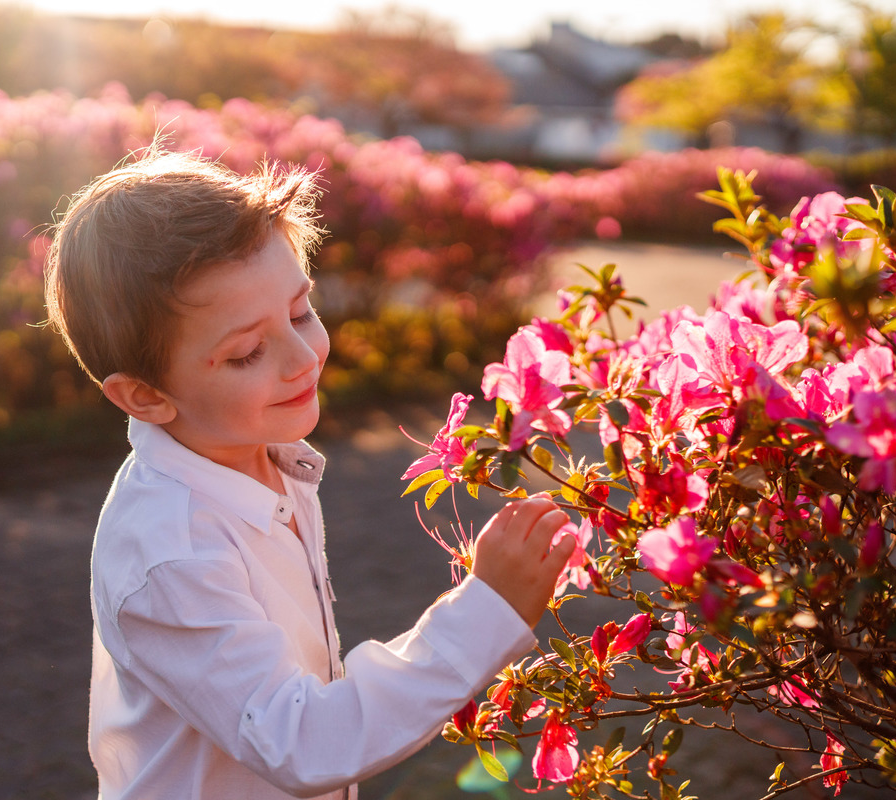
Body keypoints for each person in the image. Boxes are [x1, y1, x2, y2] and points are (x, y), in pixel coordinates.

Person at [43, 148, 577, 800]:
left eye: (300, 312)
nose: (303, 357)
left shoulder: (264, 455)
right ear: (146, 396)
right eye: (247, 352)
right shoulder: (170, 551)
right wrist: (486, 611)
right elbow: (300, 739)